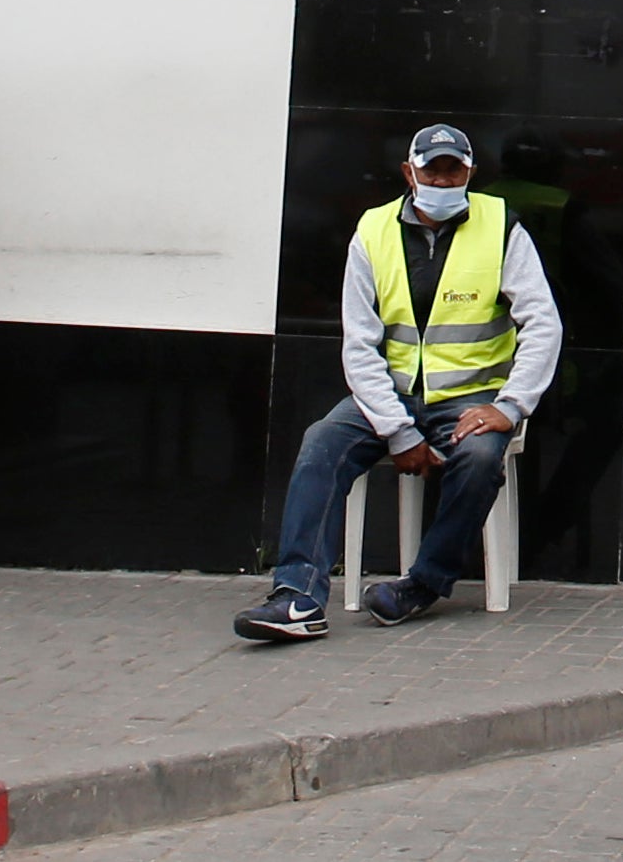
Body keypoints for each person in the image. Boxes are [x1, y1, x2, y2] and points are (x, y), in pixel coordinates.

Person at [237, 124, 563, 641]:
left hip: (471, 396)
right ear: (409, 172)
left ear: (470, 174)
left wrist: (510, 405)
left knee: (479, 461)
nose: (441, 178)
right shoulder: (372, 231)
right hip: (388, 394)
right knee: (322, 443)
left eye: (451, 169)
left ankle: (422, 585)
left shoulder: (501, 228)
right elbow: (359, 344)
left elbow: (543, 323)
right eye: (430, 169)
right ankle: (297, 596)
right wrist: (398, 430)